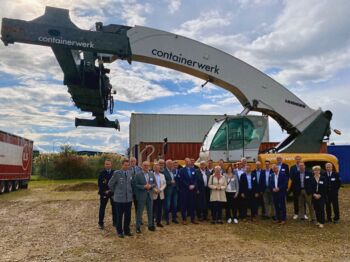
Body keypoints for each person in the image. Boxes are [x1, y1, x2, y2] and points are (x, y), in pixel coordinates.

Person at [108, 159, 133, 238]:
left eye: (128, 165)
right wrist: (116, 192)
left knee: (128, 216)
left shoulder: (130, 173)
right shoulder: (117, 173)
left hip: (128, 199)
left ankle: (126, 230)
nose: (126, 166)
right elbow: (110, 184)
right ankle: (119, 231)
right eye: (125, 165)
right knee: (119, 216)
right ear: (122, 165)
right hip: (119, 199)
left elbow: (131, 184)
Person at [134, 161, 156, 233]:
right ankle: (138, 227)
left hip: (150, 196)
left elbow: (154, 183)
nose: (146, 167)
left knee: (150, 211)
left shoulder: (151, 174)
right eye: (145, 165)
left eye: (147, 165)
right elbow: (135, 185)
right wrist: (143, 186)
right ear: (142, 166)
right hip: (141, 196)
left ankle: (150, 225)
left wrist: (150, 186)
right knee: (139, 212)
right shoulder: (138, 175)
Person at [97, 159, 116, 229]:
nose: (107, 165)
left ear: (111, 165)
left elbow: (116, 183)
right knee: (102, 208)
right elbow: (99, 184)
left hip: (113, 193)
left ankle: (115, 222)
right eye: (106, 164)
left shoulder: (115, 172)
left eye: (109, 164)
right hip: (104, 193)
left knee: (114, 208)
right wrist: (104, 191)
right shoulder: (101, 173)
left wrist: (112, 190)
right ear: (104, 165)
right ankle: (100, 223)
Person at [178, 158, 198, 225]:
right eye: (186, 161)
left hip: (192, 190)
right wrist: (188, 186)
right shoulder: (181, 170)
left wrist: (194, 185)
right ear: (185, 162)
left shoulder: (193, 169)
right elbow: (181, 180)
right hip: (185, 190)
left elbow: (195, 179)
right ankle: (184, 219)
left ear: (190, 162)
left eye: (188, 161)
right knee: (184, 205)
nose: (187, 162)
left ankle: (193, 219)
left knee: (192, 205)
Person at [163, 159, 178, 224]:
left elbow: (176, 179)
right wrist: (170, 182)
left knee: (175, 204)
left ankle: (174, 218)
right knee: (167, 205)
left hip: (175, 190)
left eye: (172, 164)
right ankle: (167, 219)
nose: (172, 165)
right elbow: (163, 182)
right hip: (168, 190)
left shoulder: (173, 171)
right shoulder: (164, 171)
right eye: (171, 164)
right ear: (167, 164)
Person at [152, 162, 167, 227]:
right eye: (155, 167)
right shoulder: (151, 174)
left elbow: (164, 184)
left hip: (160, 194)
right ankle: (151, 222)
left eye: (158, 167)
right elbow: (149, 183)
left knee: (160, 209)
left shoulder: (162, 175)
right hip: (153, 194)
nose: (157, 168)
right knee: (153, 209)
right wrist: (154, 189)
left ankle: (158, 222)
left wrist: (160, 189)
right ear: (154, 168)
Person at [290, 155, 303, 219]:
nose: (298, 160)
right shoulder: (292, 167)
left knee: (303, 200)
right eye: (297, 159)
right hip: (295, 187)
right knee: (295, 200)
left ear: (301, 160)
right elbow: (291, 177)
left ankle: (304, 213)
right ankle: (296, 213)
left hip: (303, 187)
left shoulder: (303, 167)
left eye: (299, 159)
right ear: (295, 160)